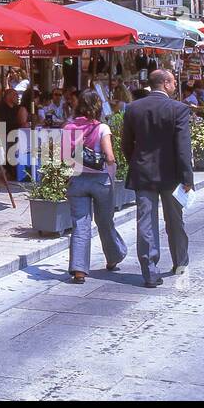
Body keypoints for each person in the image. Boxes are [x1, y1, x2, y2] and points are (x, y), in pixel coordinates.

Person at [122, 69, 193, 287]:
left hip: (143, 172)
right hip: (171, 174)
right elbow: (182, 147)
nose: (175, 86)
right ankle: (180, 262)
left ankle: (149, 271)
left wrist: (135, 161)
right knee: (174, 220)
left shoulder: (133, 108)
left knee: (145, 221)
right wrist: (187, 176)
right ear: (165, 83)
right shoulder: (178, 109)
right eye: (173, 82)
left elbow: (126, 143)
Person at [63, 89, 128, 284]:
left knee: (80, 224)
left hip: (77, 181)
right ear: (97, 106)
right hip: (101, 181)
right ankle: (114, 256)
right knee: (105, 221)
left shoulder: (68, 128)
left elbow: (65, 159)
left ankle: (79, 270)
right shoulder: (102, 128)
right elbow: (110, 157)